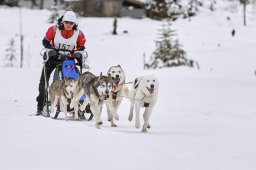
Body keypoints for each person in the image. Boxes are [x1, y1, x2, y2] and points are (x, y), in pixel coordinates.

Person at [36, 11, 86, 115]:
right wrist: (51, 49)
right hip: (52, 59)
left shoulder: (79, 33)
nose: (68, 25)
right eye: (66, 22)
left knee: (75, 81)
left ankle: (76, 105)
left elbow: (81, 46)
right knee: (44, 83)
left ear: (74, 24)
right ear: (62, 22)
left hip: (68, 60)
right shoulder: (54, 29)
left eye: (71, 23)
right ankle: (40, 107)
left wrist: (77, 53)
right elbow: (45, 41)